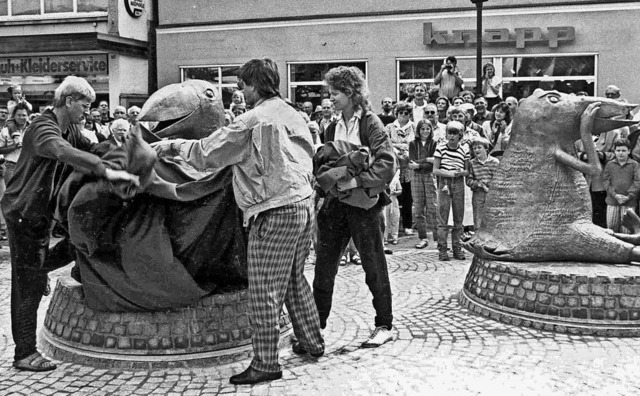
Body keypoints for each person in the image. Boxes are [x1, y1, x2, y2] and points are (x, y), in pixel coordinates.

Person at [153, 58, 324, 385]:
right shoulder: (293, 113)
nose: (239, 91)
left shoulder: (251, 121)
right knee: (293, 279)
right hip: (303, 204)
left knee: (263, 290)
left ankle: (265, 363)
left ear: (255, 85)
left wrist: (169, 146)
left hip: (273, 209)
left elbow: (206, 154)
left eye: (242, 85)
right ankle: (312, 341)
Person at [2, 76, 140, 372]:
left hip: (41, 214)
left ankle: (40, 273)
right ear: (68, 101)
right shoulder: (43, 127)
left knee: (67, 251)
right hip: (24, 213)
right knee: (27, 283)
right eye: (84, 105)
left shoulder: (71, 129)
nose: (88, 112)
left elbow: (92, 148)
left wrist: (129, 152)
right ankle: (24, 353)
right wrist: (105, 170)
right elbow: (64, 152)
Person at [314, 65, 396, 349]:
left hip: (363, 207)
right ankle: (316, 328)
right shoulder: (331, 126)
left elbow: (388, 163)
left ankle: (384, 325)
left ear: (350, 92)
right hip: (336, 205)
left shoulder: (370, 122)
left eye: (335, 92)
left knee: (374, 264)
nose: (331, 98)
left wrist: (356, 181)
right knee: (324, 267)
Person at [433, 121, 469, 261]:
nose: (452, 136)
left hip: (459, 183)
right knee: (442, 217)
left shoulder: (464, 149)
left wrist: (461, 172)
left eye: (455, 133)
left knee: (458, 218)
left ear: (460, 135)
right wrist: (450, 174)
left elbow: (467, 171)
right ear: (446, 134)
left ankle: (457, 248)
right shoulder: (440, 148)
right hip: (444, 183)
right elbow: (435, 169)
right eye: (450, 133)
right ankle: (442, 249)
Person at [575, 127, 618, 228]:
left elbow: (618, 154)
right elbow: (571, 151)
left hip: (601, 180)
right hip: (582, 180)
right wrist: (583, 156)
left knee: (600, 208)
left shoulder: (613, 133)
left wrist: (602, 155)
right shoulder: (578, 132)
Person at [386, 102, 416, 235]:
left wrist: (407, 150)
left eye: (406, 113)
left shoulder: (414, 127)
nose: (403, 115)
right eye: (400, 113)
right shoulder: (389, 127)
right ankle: (393, 227)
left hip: (409, 165)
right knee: (393, 194)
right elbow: (387, 143)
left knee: (408, 196)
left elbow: (415, 144)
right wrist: (398, 149)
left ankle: (407, 225)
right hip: (394, 164)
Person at [409, 119, 438, 249]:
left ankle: (438, 240)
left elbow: (435, 162)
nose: (425, 131)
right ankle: (423, 237)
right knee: (418, 209)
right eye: (422, 129)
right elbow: (411, 163)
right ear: (418, 130)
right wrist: (427, 161)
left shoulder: (434, 143)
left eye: (428, 129)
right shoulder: (413, 144)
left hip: (430, 176)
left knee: (433, 208)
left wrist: (421, 164)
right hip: (416, 177)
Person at [602, 138, 640, 234]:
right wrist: (615, 195)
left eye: (623, 150)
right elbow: (606, 181)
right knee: (611, 228)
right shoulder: (610, 164)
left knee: (626, 229)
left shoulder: (634, 165)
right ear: (614, 151)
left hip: (629, 202)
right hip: (613, 201)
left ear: (629, 151)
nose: (621, 153)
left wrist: (629, 196)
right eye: (618, 150)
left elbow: (637, 181)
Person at [466, 138, 500, 230]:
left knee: (493, 217)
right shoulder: (472, 163)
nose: (476, 150)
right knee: (478, 218)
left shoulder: (495, 162)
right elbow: (468, 180)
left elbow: (499, 179)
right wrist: (477, 184)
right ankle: (478, 238)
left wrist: (488, 184)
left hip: (492, 193)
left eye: (479, 147)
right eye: (474, 148)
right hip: (478, 194)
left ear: (486, 149)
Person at [0, 102, 30, 183]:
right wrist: (14, 146)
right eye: (18, 115)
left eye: (24, 115)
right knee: (11, 192)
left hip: (28, 166)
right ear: (14, 116)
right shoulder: (5, 131)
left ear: (28, 116)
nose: (21, 117)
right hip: (11, 166)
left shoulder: (33, 130)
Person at [383, 169, 402, 245]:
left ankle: (394, 237)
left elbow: (400, 190)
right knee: (385, 220)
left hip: (393, 201)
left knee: (395, 218)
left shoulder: (395, 179)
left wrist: (395, 192)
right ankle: (384, 238)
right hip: (385, 201)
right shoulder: (383, 179)